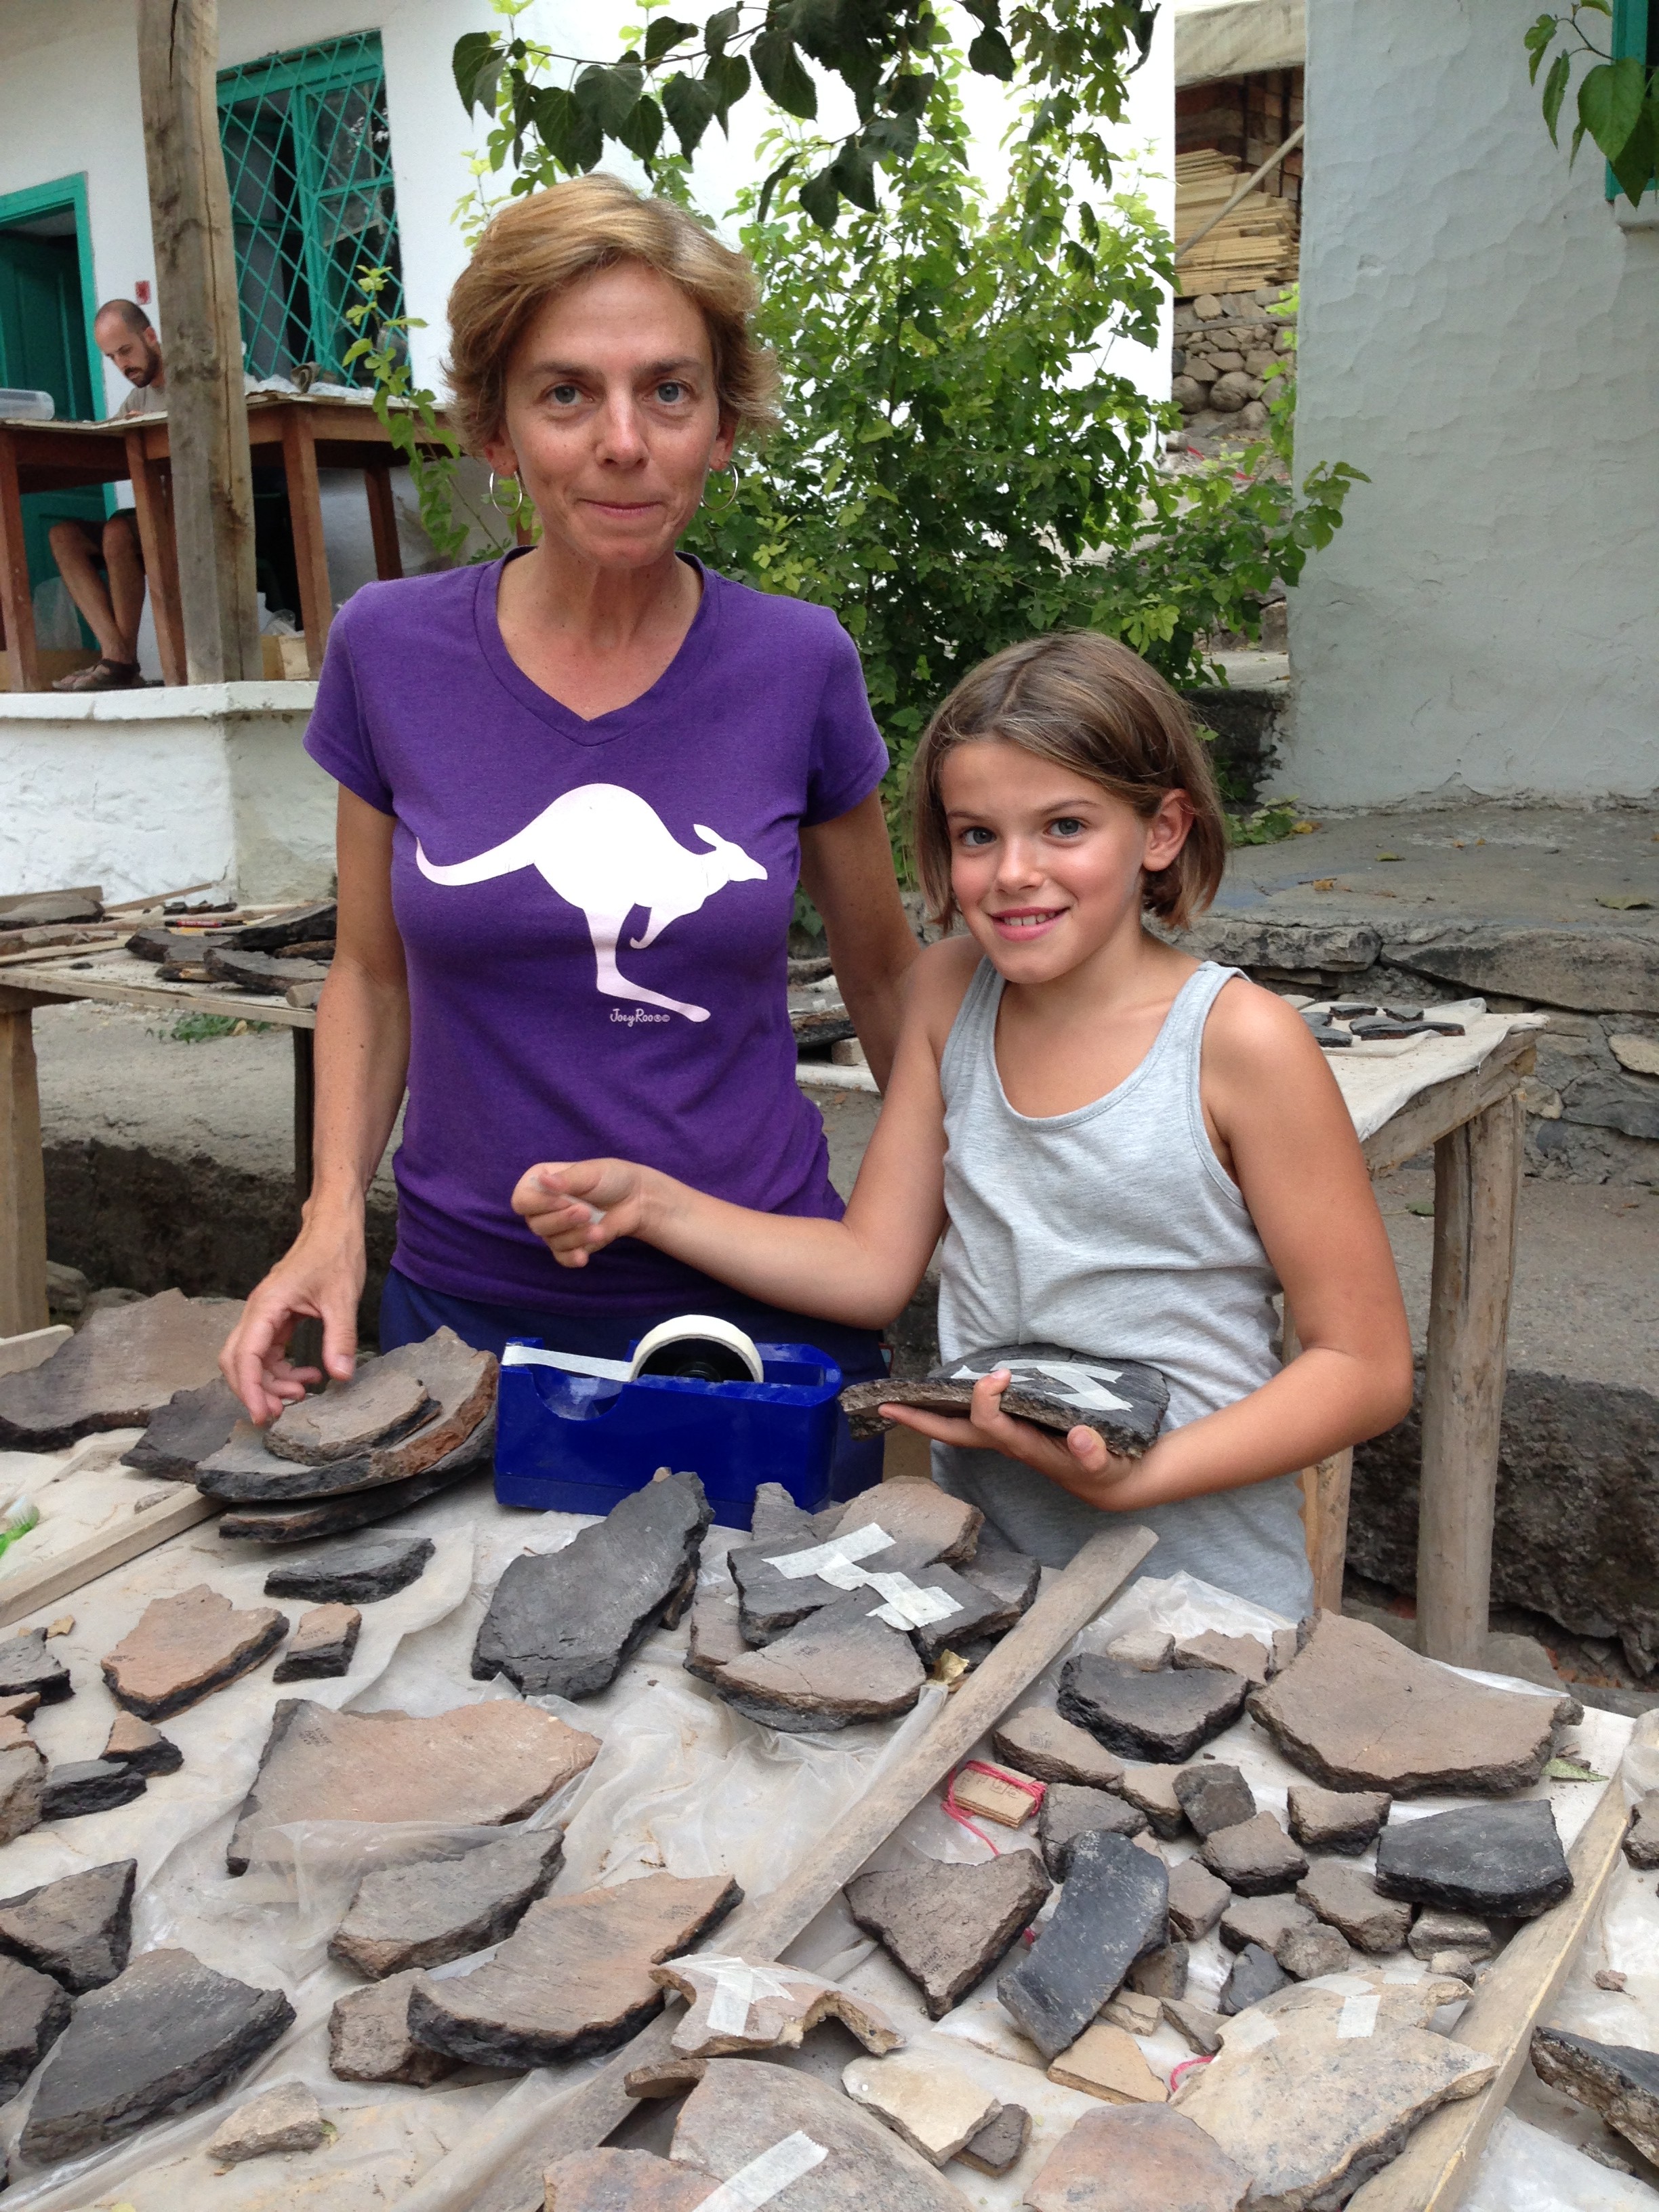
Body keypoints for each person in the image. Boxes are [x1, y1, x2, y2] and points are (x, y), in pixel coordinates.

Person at [220, 175, 920, 1483]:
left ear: (721, 424)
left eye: (669, 390)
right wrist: (328, 1218)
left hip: (761, 1315)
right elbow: (371, 971)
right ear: (496, 430)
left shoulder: (796, 663)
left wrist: (956, 1216)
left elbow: (887, 979)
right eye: (565, 394)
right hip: (465, 1321)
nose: (623, 440)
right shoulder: (389, 649)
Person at [514, 631, 1415, 1618]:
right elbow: (871, 1268)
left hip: (1205, 1600)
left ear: (1161, 831)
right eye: (977, 835)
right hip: (990, 1582)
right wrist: (650, 1203)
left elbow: (1363, 1367)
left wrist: (1141, 1476)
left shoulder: (1240, 1042)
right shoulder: (949, 994)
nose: (1013, 872)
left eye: (1064, 826)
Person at [47, 300, 167, 694]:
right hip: (151, 517)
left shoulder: (191, 383)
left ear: (150, 336)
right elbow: (113, 442)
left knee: (118, 531)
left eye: (126, 351)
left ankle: (118, 664)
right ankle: (117, 657)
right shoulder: (138, 398)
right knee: (64, 535)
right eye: (112, 357)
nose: (122, 365)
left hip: (193, 514)